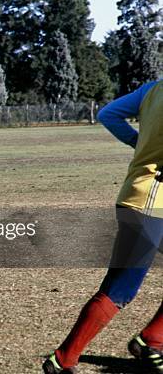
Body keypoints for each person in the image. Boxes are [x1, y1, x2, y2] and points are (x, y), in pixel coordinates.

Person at [42, 79, 163, 374]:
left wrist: (140, 143)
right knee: (120, 289)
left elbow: (109, 113)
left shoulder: (154, 87)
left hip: (146, 196)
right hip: (149, 202)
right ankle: (63, 360)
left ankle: (153, 340)